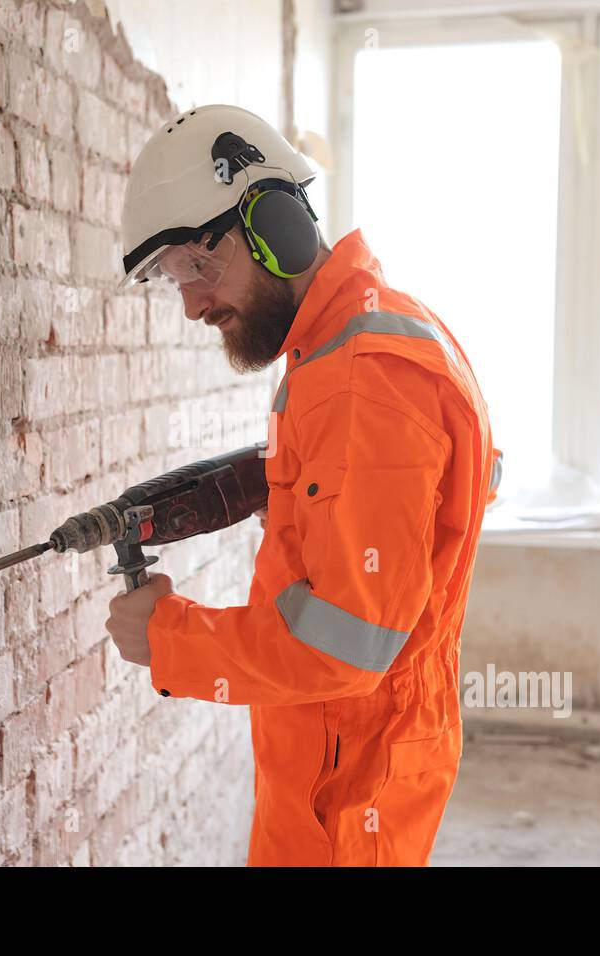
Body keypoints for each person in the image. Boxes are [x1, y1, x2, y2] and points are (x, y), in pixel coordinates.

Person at [104, 104, 500, 866]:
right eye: (172, 279)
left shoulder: (361, 381)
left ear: (275, 224)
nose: (191, 304)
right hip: (336, 766)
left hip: (347, 795)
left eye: (197, 265)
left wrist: (167, 638)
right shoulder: (358, 338)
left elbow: (346, 647)